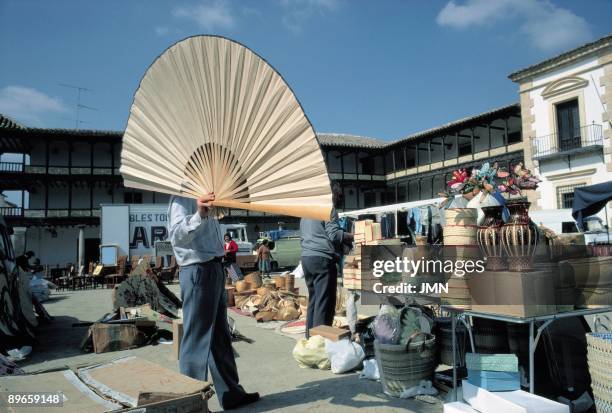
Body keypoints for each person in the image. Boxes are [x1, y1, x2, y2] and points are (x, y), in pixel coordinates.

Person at [168, 193, 259, 410]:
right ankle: (191, 404)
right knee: (196, 339)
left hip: (214, 267)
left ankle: (231, 394)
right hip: (198, 269)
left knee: (220, 335)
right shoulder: (181, 198)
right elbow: (177, 236)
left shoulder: (208, 195)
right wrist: (199, 213)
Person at [300, 184, 353, 336]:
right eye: (339, 197)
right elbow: (334, 235)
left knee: (315, 301)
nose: (339, 201)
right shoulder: (328, 209)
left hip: (307, 259)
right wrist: (352, 236)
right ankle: (320, 342)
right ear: (334, 195)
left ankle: (310, 339)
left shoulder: (306, 212)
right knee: (325, 303)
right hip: (322, 259)